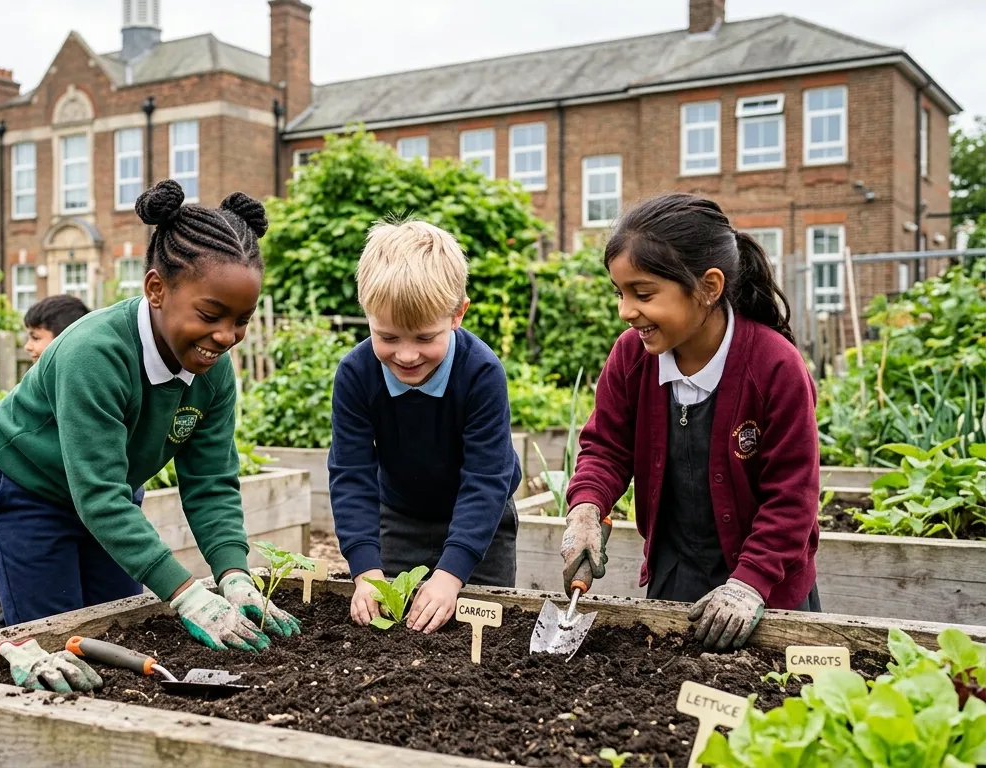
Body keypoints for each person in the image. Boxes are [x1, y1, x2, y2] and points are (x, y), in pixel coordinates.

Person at [0, 179, 299, 651]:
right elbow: (99, 493)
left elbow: (211, 480)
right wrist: (187, 594)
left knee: (121, 631)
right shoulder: (94, 354)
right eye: (211, 315)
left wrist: (233, 575)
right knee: (51, 638)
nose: (227, 336)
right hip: (31, 487)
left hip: (111, 496)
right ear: (155, 289)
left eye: (241, 320)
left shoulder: (213, 370)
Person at [560, 192, 821, 652]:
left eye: (642, 294)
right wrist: (586, 508)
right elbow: (607, 448)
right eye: (620, 293)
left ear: (709, 286)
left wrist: (750, 583)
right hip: (674, 578)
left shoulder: (775, 366)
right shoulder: (632, 357)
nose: (625, 310)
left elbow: (792, 497)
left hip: (767, 596)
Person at [328, 219, 521, 635]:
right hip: (400, 516)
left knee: (485, 636)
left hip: (482, 522)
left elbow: (487, 477)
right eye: (388, 337)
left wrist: (452, 575)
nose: (407, 354)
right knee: (400, 628)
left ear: (458, 314)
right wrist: (366, 571)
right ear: (367, 316)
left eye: (424, 337)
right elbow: (351, 474)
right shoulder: (356, 375)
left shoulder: (481, 373)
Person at [0, 293, 94, 633]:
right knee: (50, 628)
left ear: (67, 336)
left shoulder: (87, 376)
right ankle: (11, 611)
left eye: (36, 337)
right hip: (34, 496)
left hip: (83, 499)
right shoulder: (38, 385)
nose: (27, 346)